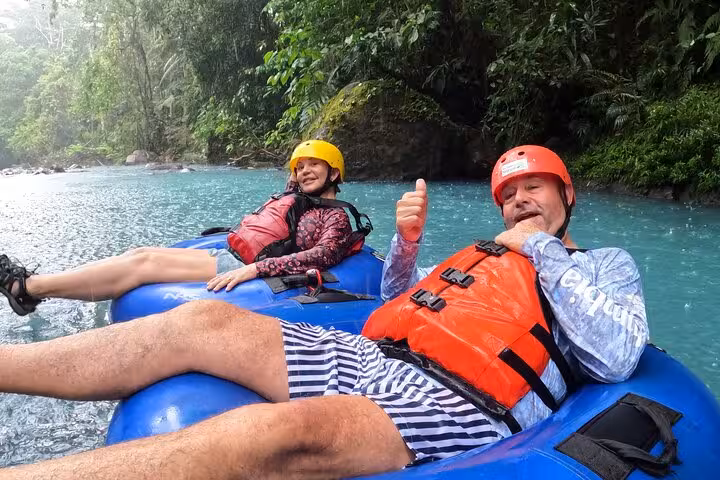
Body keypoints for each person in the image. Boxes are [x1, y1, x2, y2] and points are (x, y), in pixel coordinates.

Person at [0, 145, 648, 479]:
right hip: (379, 353)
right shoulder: (485, 253)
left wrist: (539, 246)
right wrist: (410, 246)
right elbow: (396, 293)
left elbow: (614, 352)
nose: (520, 201)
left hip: (461, 398)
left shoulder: (602, 263)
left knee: (277, 435)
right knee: (199, 322)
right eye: (510, 196)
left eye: (533, 189)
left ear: (567, 195)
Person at [0, 140, 366, 316]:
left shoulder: (334, 216)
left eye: (314, 165)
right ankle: (33, 288)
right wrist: (297, 173)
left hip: (246, 267)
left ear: (334, 172)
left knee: (142, 267)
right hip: (234, 252)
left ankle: (28, 288)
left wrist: (256, 268)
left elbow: (324, 254)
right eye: (300, 167)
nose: (304, 172)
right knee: (138, 254)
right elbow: (289, 199)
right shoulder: (299, 197)